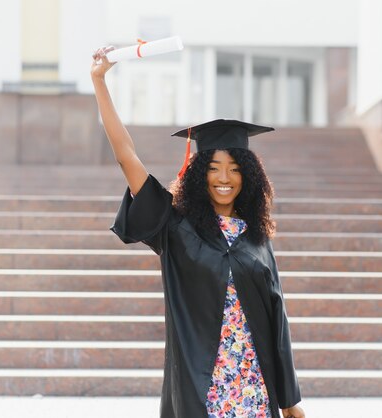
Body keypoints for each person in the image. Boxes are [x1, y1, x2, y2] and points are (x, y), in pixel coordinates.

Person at [91, 45, 305, 418]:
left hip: (254, 392)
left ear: (249, 177)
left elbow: (277, 319)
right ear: (198, 172)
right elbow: (127, 156)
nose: (225, 178)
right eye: (214, 168)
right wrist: (99, 81)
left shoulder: (256, 238)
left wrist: (290, 402)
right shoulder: (175, 227)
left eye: (235, 168)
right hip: (201, 392)